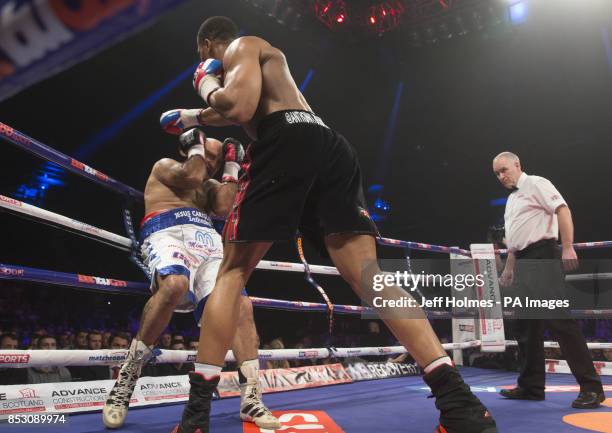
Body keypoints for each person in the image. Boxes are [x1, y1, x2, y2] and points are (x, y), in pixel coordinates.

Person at [161, 16, 498, 433]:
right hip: (327, 146)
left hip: (284, 141)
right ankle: (459, 404)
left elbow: (239, 106)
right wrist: (196, 116)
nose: (208, 63)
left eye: (203, 55)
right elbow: (235, 109)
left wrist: (204, 83)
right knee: (368, 276)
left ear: (210, 43)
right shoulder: (262, 70)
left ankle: (195, 417)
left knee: (231, 273)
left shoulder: (241, 45)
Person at [102, 130, 279, 430]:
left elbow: (225, 207)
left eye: (215, 159)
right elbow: (192, 176)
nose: (210, 163)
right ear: (188, 149)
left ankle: (251, 397)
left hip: (207, 240)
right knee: (174, 285)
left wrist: (232, 165)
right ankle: (126, 380)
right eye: (207, 155)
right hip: (165, 231)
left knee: (240, 307)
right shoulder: (166, 167)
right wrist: (198, 150)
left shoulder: (209, 185)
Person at [493, 151, 604, 408]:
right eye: (497, 173)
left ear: (517, 164)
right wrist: (509, 269)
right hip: (522, 261)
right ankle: (530, 386)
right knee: (525, 328)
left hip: (543, 256)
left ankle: (592, 388)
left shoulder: (536, 183)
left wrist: (567, 246)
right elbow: (516, 242)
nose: (501, 176)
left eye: (504, 170)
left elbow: (562, 209)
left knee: (559, 322)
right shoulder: (511, 200)